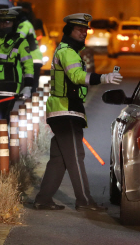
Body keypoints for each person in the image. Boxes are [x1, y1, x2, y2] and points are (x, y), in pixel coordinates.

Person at [34, 13, 123, 212]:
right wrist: (104, 78)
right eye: (79, 29)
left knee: (59, 158)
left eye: (85, 29)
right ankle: (84, 200)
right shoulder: (67, 52)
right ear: (69, 31)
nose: (83, 32)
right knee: (75, 156)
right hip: (65, 111)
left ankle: (43, 199)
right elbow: (76, 76)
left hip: (64, 110)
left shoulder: (70, 51)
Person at [11, 2, 44, 93]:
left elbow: (19, 38)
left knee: (29, 83)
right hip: (35, 58)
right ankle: (31, 100)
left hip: (31, 59)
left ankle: (30, 101)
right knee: (32, 84)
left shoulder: (24, 25)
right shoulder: (28, 24)